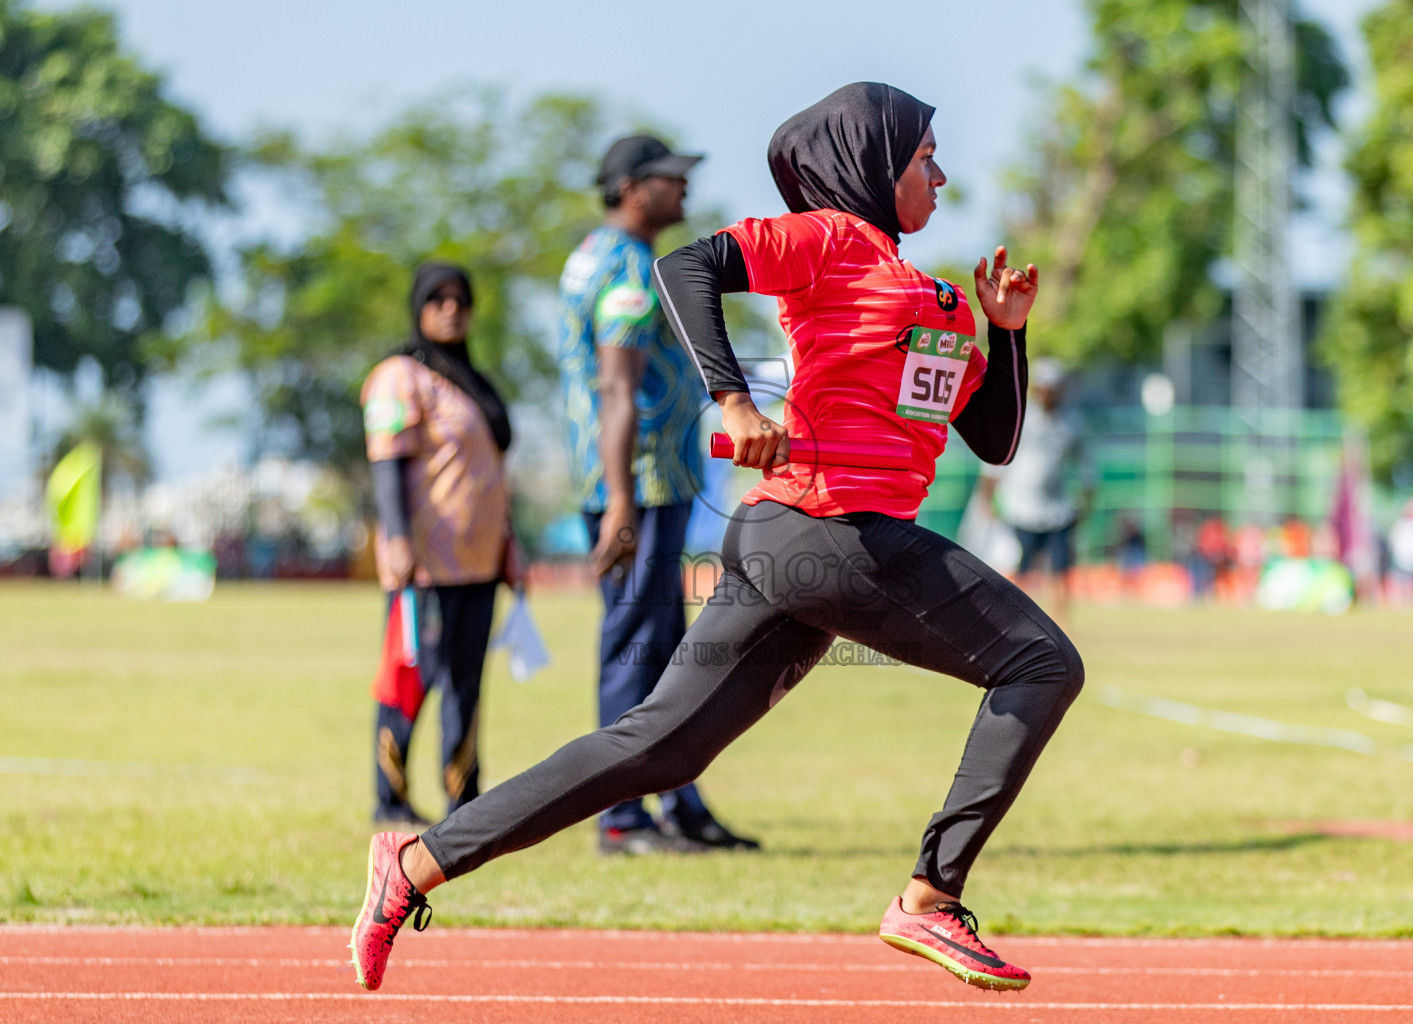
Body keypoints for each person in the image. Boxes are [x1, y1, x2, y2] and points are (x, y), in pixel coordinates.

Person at [350, 82, 1084, 994]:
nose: (941, 172)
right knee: (1042, 663)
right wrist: (731, 396)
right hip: (829, 530)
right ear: (873, 164)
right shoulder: (827, 239)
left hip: (798, 544)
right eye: (925, 156)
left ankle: (414, 862)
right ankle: (932, 898)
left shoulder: (926, 295)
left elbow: (995, 439)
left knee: (657, 748)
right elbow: (685, 268)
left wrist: (1005, 334)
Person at [557, 134, 757, 854]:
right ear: (634, 188)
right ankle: (623, 817)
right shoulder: (630, 271)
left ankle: (680, 804)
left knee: (665, 648)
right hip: (636, 484)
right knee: (638, 650)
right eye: (674, 179)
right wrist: (619, 501)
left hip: (640, 482)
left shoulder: (594, 254)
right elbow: (617, 386)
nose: (685, 192)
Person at [359, 263, 517, 825]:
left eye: (461, 300)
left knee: (467, 684)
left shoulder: (471, 380)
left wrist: (508, 542)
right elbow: (387, 463)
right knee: (412, 677)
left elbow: (489, 471)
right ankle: (390, 798)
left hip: (478, 562)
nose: (451, 309)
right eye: (438, 299)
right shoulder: (401, 376)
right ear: (418, 308)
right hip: (425, 563)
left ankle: (463, 801)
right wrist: (398, 538)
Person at [974, 357, 1090, 622]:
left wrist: (1085, 501)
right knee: (1019, 569)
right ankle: (1013, 620)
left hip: (1057, 509)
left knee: (1061, 569)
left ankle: (1062, 624)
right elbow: (996, 461)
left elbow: (1086, 466)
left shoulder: (1071, 423)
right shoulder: (1020, 419)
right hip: (1020, 508)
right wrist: (987, 500)